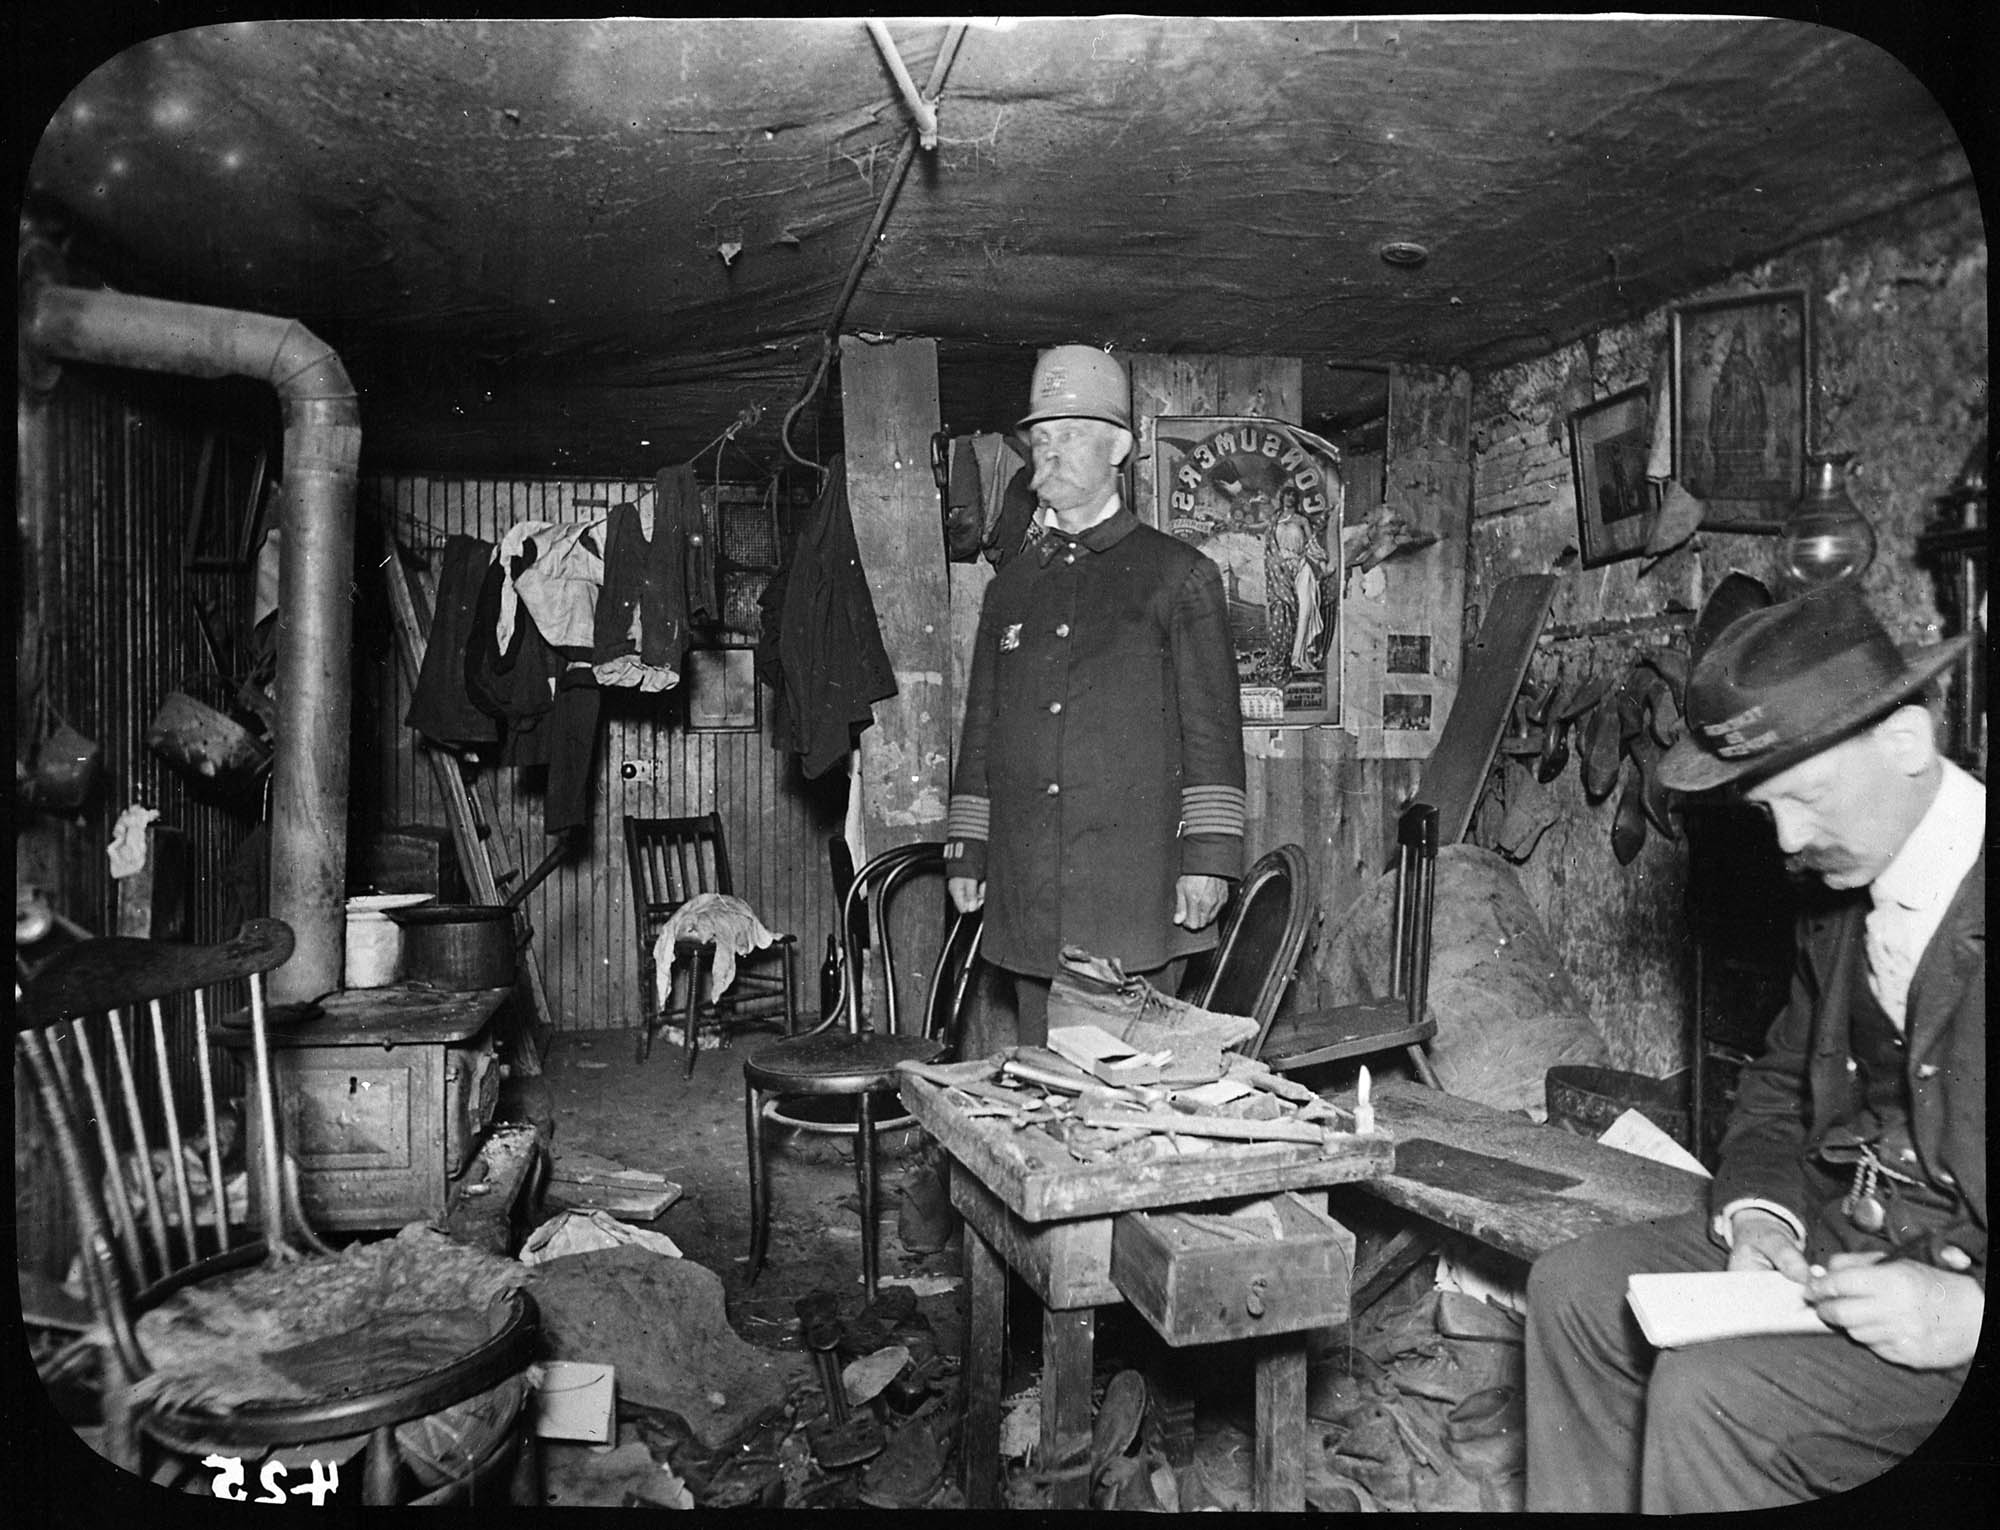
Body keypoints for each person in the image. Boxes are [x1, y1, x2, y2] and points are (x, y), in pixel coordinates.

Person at [1524, 582, 1983, 1513]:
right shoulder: (1842, 899)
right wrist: (1762, 1214)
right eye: (1766, 810)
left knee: (1713, 1400)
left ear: (1905, 745)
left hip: (1956, 1300)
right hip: (1831, 1236)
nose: (1789, 841)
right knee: (1573, 1290)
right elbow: (1776, 1087)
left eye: (1804, 799)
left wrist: (1970, 1318)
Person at [944, 345, 1246, 1046]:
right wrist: (967, 848)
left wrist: (1208, 861)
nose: (1048, 454)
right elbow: (982, 731)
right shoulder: (1011, 587)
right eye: (1040, 439)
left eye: (1070, 434)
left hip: (1131, 894)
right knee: (1043, 1091)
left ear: (1120, 447)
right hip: (1027, 889)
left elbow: (1212, 736)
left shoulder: (1178, 577)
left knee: (1132, 1098)